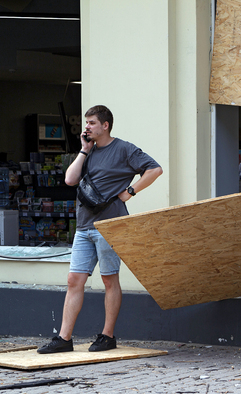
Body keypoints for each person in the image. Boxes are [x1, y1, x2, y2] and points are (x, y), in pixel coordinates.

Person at [38, 105, 163, 353]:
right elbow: (70, 180)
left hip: (110, 225)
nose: (87, 127)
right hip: (84, 226)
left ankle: (108, 336)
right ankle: (64, 339)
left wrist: (130, 192)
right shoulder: (89, 151)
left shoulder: (124, 149)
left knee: (109, 279)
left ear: (105, 125)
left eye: (92, 123)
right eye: (86, 123)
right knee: (74, 279)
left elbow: (155, 169)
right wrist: (84, 151)